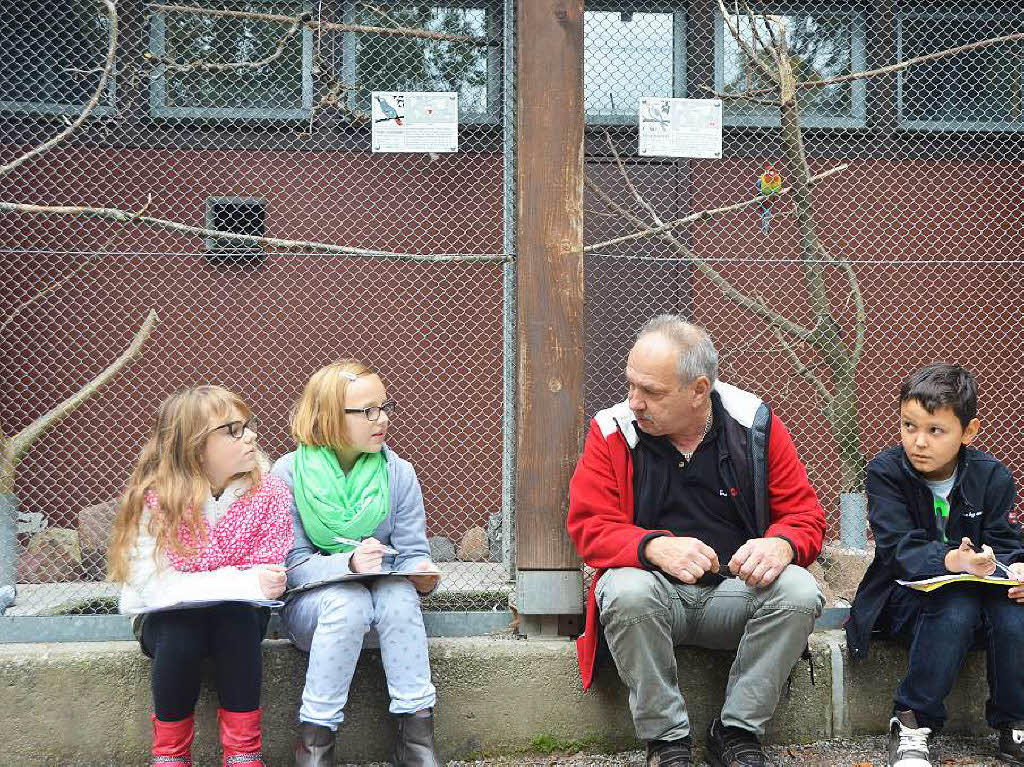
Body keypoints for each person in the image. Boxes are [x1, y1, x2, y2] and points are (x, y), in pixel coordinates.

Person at [567, 315, 825, 767]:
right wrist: (651, 547)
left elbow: (805, 516)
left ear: (699, 390)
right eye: (630, 385)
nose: (635, 402)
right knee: (625, 589)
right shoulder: (611, 430)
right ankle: (667, 742)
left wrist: (781, 544)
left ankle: (736, 733)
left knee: (800, 590)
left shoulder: (755, 425)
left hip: (735, 593)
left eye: (651, 392)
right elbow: (589, 526)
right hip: (654, 600)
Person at [846, 363, 1024, 767]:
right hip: (904, 603)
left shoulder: (992, 477)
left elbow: (1007, 544)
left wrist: (1016, 570)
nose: (918, 442)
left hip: (980, 604)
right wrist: (950, 559)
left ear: (969, 432)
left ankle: (1015, 724)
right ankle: (911, 721)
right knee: (955, 602)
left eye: (935, 431)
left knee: (1014, 606)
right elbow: (895, 550)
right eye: (909, 426)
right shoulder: (886, 472)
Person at [108, 385, 293, 766]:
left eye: (247, 425)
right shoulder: (154, 499)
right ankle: (170, 756)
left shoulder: (270, 492)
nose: (252, 436)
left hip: (238, 616)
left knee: (237, 618)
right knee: (180, 625)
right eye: (232, 430)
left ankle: (243, 751)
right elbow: (157, 588)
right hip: (162, 620)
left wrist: (228, 583)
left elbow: (267, 573)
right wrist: (239, 581)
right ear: (194, 446)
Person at [272, 360, 442, 767]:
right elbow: (290, 570)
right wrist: (347, 563)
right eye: (367, 411)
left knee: (400, 593)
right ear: (329, 417)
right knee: (347, 602)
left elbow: (414, 550)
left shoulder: (397, 472)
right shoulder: (288, 473)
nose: (381, 419)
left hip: (384, 616)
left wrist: (422, 573)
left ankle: (417, 741)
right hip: (318, 616)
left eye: (384, 407)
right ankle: (315, 743)